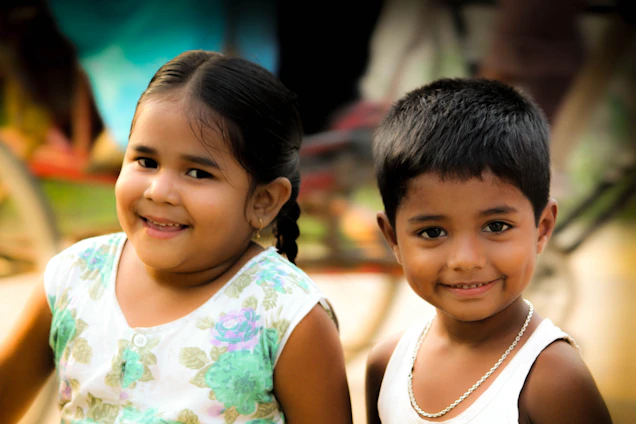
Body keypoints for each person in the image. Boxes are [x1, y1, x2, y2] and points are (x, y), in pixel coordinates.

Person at [0, 50, 353, 423]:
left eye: (198, 173)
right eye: (146, 162)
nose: (158, 190)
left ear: (263, 201)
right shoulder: (74, 278)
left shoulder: (288, 317)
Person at [365, 78, 612, 423]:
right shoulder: (387, 363)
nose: (466, 260)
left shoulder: (553, 379)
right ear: (392, 238)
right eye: (432, 232)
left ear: (542, 228)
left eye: (496, 227)